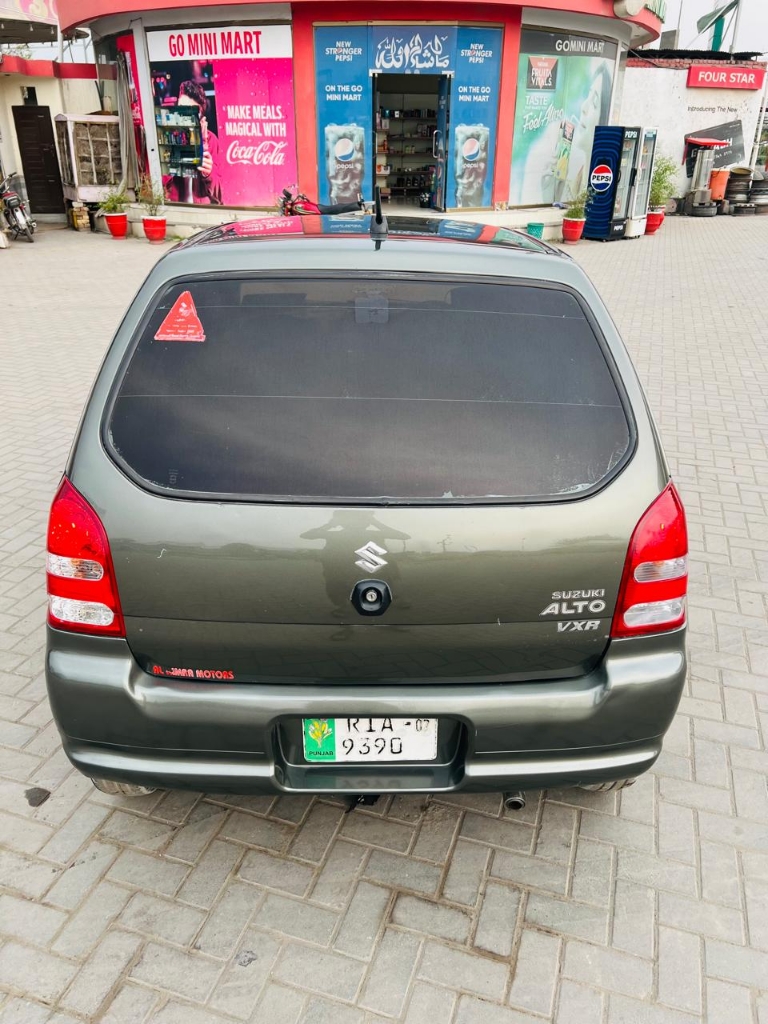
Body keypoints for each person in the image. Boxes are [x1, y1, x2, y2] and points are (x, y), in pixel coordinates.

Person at [163, 80, 222, 205]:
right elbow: (152, 189)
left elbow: (219, 196)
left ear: (201, 118)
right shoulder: (166, 138)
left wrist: (209, 174)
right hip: (173, 210)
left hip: (200, 212)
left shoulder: (210, 140)